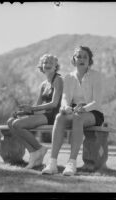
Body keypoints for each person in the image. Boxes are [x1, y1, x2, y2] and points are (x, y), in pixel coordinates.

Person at [42, 46, 104, 176]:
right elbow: (65, 98)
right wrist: (65, 107)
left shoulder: (96, 76)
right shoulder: (69, 77)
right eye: (78, 56)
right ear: (74, 60)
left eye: (85, 57)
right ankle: (52, 163)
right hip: (75, 110)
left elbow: (97, 102)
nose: (81, 59)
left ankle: (71, 163)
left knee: (77, 117)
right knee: (59, 117)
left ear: (89, 61)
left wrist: (83, 109)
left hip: (93, 112)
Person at [7, 54, 63, 169]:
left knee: (17, 124)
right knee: (11, 121)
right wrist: (24, 112)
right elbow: (37, 106)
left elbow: (54, 104)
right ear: (41, 66)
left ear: (55, 66)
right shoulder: (43, 84)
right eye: (45, 62)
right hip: (44, 114)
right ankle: (33, 152)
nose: (47, 65)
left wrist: (32, 109)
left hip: (54, 115)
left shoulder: (58, 80)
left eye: (50, 63)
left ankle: (39, 149)